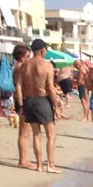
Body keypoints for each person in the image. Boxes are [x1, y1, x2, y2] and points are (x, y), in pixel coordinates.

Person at [16, 39, 61, 173]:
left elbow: (18, 87)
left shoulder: (24, 65)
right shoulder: (47, 65)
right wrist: (56, 107)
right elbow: (51, 88)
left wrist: (21, 105)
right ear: (42, 50)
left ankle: (39, 165)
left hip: (29, 100)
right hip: (42, 100)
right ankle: (50, 165)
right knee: (51, 134)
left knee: (36, 134)